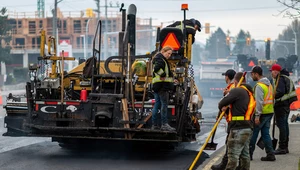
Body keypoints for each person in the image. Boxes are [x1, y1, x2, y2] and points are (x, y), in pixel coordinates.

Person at [218, 72, 256, 170]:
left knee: (233, 155)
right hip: (248, 127)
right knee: (244, 154)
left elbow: (221, 103)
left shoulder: (237, 90)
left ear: (235, 81)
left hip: (238, 128)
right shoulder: (249, 91)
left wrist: (224, 106)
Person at [211, 69, 236, 170]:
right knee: (231, 143)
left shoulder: (232, 87)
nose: (224, 78)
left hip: (233, 119)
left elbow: (226, 103)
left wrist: (224, 110)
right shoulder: (230, 87)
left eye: (225, 76)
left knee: (229, 142)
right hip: (232, 118)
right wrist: (220, 113)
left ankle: (224, 165)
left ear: (227, 77)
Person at [249, 65, 276, 161]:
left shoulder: (259, 86)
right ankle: (270, 154)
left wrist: (257, 116)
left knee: (253, 134)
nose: (251, 76)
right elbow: (272, 99)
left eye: (252, 74)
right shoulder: (269, 85)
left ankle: (248, 155)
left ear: (256, 74)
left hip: (261, 114)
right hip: (269, 112)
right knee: (265, 134)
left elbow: (259, 102)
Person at [270, 64, 297, 154]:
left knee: (282, 126)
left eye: (272, 71)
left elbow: (280, 92)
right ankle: (285, 146)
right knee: (284, 125)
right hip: (285, 105)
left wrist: (272, 96)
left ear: (276, 71)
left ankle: (282, 147)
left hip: (281, 105)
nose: (271, 73)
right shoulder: (285, 78)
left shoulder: (280, 79)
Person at [151, 46, 177, 131]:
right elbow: (156, 69)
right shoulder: (161, 59)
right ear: (163, 51)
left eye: (170, 54)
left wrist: (172, 77)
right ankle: (164, 124)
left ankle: (154, 125)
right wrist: (163, 75)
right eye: (168, 53)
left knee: (157, 105)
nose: (169, 55)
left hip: (157, 86)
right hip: (162, 87)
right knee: (164, 105)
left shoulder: (159, 58)